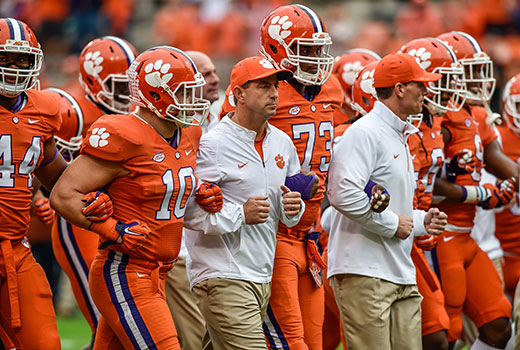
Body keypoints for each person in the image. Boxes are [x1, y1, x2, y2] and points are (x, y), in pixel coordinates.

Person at [50, 46, 216, 349]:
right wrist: (112, 229)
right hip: (125, 272)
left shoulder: (190, 133)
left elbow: (165, 189)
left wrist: (200, 192)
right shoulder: (123, 134)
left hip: (160, 273)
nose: (193, 101)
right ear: (155, 96)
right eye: (185, 93)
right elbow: (63, 195)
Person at [327, 52, 448, 350]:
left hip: (398, 269)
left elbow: (397, 212)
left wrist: (422, 221)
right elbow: (341, 193)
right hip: (364, 270)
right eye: (420, 84)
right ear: (399, 89)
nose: (426, 92)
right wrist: (394, 224)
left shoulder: (398, 134)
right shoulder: (364, 132)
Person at [183, 56, 305, 350]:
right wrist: (240, 213)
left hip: (261, 271)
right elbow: (187, 210)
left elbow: (288, 211)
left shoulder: (283, 143)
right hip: (222, 274)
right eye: (263, 86)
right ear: (238, 93)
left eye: (275, 86)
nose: (274, 93)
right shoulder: (213, 145)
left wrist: (293, 208)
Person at [256, 6, 343, 349]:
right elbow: (236, 155)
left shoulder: (331, 89)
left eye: (319, 49)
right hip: (273, 231)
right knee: (290, 343)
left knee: (315, 341)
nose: (316, 59)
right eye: (306, 50)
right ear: (278, 48)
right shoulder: (262, 91)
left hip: (312, 231)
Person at [46, 35, 138, 349]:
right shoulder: (69, 112)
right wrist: (35, 194)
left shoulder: (137, 115)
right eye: (120, 86)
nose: (129, 95)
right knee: (108, 318)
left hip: (124, 219)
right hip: (80, 219)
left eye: (132, 85)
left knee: (129, 320)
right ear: (93, 81)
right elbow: (26, 154)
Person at [432, 31, 518, 349]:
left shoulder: (477, 115)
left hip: (468, 237)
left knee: (498, 324)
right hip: (436, 236)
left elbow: (500, 162)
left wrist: (511, 181)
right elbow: (425, 182)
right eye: (472, 71)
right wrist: (479, 194)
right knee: (445, 333)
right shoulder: (434, 119)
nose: (481, 79)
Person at [0, 17, 65, 349]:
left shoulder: (44, 109)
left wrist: (95, 194)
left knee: (44, 343)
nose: (15, 67)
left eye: (23, 59)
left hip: (16, 249)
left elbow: (57, 176)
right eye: (5, 59)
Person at [164, 50, 220, 350]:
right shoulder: (166, 124)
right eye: (206, 74)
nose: (215, 80)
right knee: (195, 339)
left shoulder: (224, 115)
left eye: (214, 72)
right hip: (176, 245)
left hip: (215, 244)